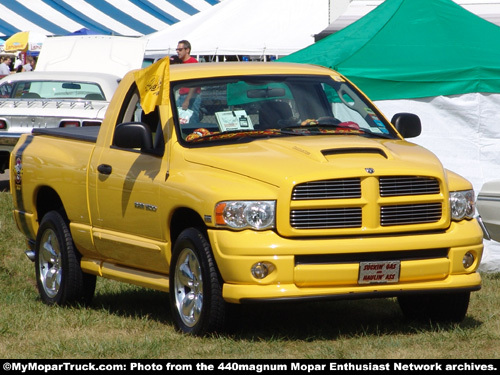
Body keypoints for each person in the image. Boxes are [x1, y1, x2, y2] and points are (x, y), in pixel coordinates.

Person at [176, 40, 201, 123]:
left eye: (180, 50)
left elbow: (195, 83)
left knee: (192, 121)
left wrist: (187, 100)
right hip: (181, 95)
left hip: (191, 96)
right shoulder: (180, 63)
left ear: (187, 50)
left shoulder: (192, 63)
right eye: (177, 49)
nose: (177, 51)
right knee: (180, 121)